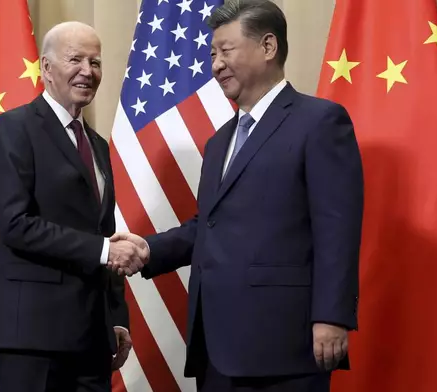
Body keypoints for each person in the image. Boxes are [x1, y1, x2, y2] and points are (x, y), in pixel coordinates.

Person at [109, 1, 364, 391]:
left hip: (284, 344)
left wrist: (332, 316)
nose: (215, 65)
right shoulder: (219, 142)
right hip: (215, 345)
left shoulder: (319, 122)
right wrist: (149, 250)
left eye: (225, 51)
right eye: (212, 54)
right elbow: (209, 226)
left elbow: (337, 228)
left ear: (268, 47)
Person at [0, 21, 144, 392]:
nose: (88, 71)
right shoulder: (13, 128)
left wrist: (116, 317)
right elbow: (15, 224)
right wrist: (104, 250)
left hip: (92, 338)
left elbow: (102, 230)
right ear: (46, 69)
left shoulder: (97, 144)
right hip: (33, 338)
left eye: (96, 62)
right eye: (76, 59)